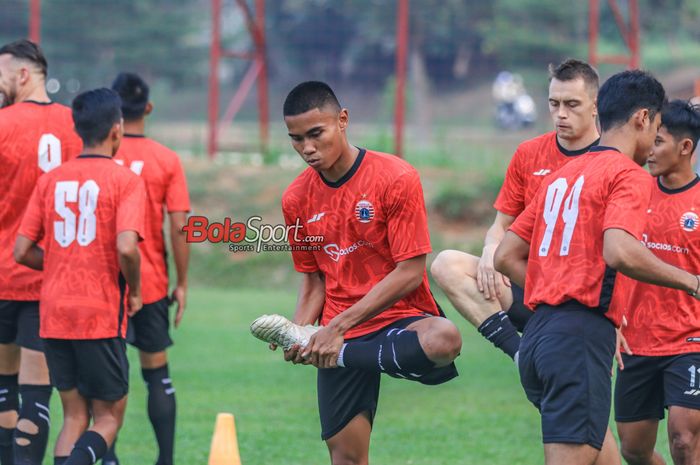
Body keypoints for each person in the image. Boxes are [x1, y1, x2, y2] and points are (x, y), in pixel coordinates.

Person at [250, 81, 462, 465]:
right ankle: (337, 351)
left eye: (316, 134)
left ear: (342, 120)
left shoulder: (395, 177)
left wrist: (336, 332)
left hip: (396, 320)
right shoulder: (296, 199)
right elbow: (314, 278)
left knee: (444, 339)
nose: (307, 148)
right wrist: (300, 332)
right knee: (346, 459)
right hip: (335, 327)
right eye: (296, 139)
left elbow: (411, 272)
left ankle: (344, 355)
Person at [494, 70, 700, 465]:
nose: (653, 140)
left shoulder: (561, 175)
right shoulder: (628, 175)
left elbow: (506, 255)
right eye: (656, 125)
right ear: (643, 118)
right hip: (578, 338)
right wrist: (692, 282)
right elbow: (619, 251)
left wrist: (554, 288)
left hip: (539, 339)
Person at [433, 58, 625, 465]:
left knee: (577, 417)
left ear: (595, 106)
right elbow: (500, 227)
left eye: (571, 104)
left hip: (580, 306)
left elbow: (622, 249)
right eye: (553, 103)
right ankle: (519, 352)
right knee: (447, 263)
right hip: (530, 289)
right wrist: (489, 252)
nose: (560, 114)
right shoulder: (529, 153)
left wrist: (619, 318)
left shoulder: (613, 161)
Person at [14, 88, 145, 465]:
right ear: (117, 130)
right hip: (99, 315)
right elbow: (126, 248)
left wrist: (57, 263)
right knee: (108, 417)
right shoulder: (125, 181)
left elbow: (22, 250)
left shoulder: (50, 180)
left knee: (73, 415)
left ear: (77, 129)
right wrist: (134, 290)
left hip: (53, 315)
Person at [0, 39, 82, 465]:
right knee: (36, 398)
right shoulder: (77, 126)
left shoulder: (1, 124)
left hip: (3, 276)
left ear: (23, 75)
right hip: (50, 280)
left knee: (3, 396)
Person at [103, 72, 190, 465]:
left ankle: (108, 458)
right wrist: (183, 282)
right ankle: (165, 460)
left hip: (103, 285)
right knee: (156, 373)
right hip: (152, 282)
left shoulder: (97, 153)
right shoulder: (166, 159)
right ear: (148, 108)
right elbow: (179, 225)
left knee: (106, 379)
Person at [613, 100, 700, 465]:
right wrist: (611, 319)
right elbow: (612, 259)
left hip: (690, 339)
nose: (649, 150)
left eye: (659, 142)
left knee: (683, 439)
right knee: (634, 451)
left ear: (685, 148)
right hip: (635, 341)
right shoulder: (632, 193)